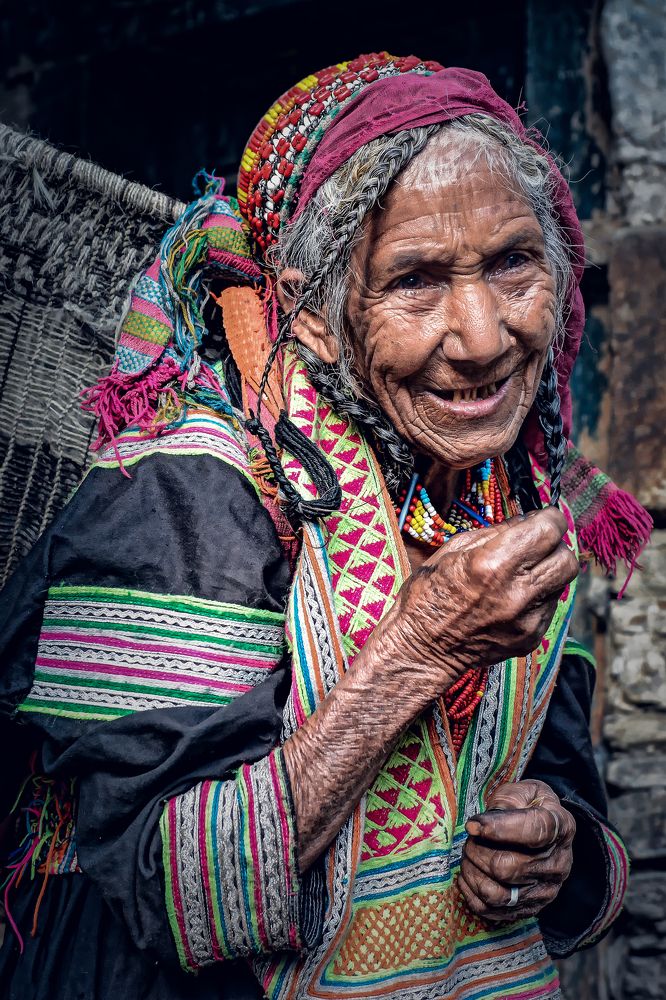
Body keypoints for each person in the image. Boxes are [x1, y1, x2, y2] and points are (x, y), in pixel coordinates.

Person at [0, 53, 652, 1000]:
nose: (482, 336)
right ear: (309, 315)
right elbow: (169, 896)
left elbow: (568, 794)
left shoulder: (518, 482)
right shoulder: (190, 489)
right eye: (415, 280)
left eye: (514, 263)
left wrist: (555, 844)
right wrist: (420, 650)